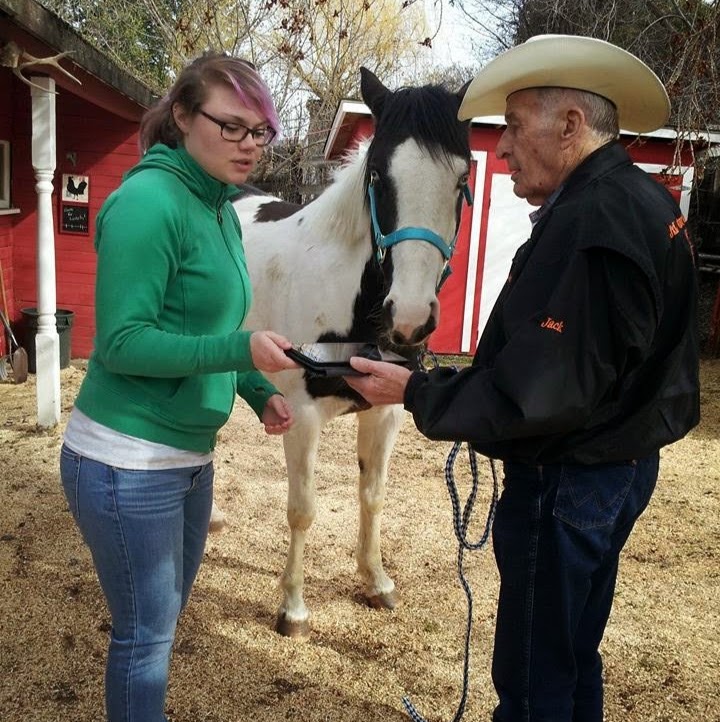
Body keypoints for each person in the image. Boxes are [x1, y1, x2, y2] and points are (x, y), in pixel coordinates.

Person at [345, 35, 700, 722]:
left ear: (569, 125)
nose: (501, 149)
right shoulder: (643, 202)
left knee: (534, 679)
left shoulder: (590, 223)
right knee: (571, 655)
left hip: (569, 481)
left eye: (511, 126)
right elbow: (587, 362)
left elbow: (540, 392)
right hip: (618, 463)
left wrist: (414, 392)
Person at [59, 51, 299, 722]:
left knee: (157, 626)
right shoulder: (148, 201)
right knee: (144, 638)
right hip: (126, 462)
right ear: (185, 117)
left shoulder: (220, 206)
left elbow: (210, 321)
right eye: (233, 127)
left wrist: (255, 388)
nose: (250, 145)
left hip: (188, 461)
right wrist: (240, 348)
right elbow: (123, 342)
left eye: (261, 132)